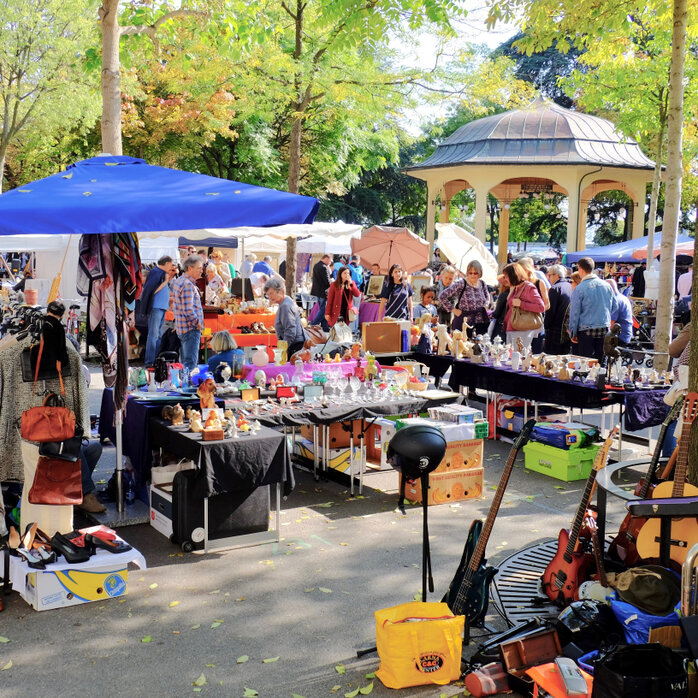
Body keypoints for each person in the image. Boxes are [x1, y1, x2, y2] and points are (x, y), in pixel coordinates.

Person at [568, 257, 618, 362]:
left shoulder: (580, 288)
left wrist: (573, 332)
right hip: (604, 327)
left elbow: (575, 313)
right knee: (601, 362)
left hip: (585, 329)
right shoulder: (606, 285)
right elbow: (615, 306)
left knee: (586, 362)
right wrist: (603, 314)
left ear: (580, 268)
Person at [438, 260, 490, 336]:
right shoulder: (462, 283)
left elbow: (487, 295)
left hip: (480, 321)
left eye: (475, 273)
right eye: (470, 273)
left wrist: (486, 305)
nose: (473, 275)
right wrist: (453, 310)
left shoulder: (482, 283)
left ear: (480, 273)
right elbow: (442, 296)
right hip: (464, 322)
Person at [140, 255, 175, 367]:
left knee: (158, 335)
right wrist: (166, 281)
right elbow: (152, 290)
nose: (171, 267)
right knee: (154, 335)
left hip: (161, 307)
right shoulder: (156, 272)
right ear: (166, 263)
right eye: (170, 264)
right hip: (156, 307)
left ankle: (156, 360)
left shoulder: (160, 273)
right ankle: (150, 361)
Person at [171, 255, 204, 371]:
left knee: (185, 361)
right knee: (190, 363)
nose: (201, 271)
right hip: (190, 328)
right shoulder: (187, 284)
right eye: (199, 268)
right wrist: (197, 323)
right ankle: (188, 382)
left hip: (183, 327)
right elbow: (188, 309)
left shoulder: (179, 281)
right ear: (190, 268)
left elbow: (178, 306)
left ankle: (184, 380)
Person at [503, 262, 545, 350]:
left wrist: (521, 304)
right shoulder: (515, 287)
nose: (505, 279)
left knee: (519, 355)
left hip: (522, 330)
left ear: (513, 275)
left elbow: (541, 307)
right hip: (513, 329)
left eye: (506, 276)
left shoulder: (529, 287)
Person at [265, 277, 307, 355]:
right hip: (295, 345)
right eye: (268, 295)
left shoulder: (285, 306)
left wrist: (283, 350)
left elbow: (290, 330)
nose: (270, 297)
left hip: (294, 347)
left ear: (280, 291)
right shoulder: (286, 301)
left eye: (271, 293)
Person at [544, 264, 572, 355]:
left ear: (556, 275)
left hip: (555, 331)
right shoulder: (570, 286)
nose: (548, 278)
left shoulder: (555, 288)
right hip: (567, 329)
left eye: (549, 275)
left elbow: (550, 311)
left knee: (552, 357)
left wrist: (545, 326)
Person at [606, 278, 633, 347]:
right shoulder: (623, 297)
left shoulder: (615, 301)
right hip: (626, 334)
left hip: (620, 336)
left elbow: (610, 325)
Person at [310, 254, 332, 330]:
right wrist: (332, 282)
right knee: (324, 310)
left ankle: (325, 326)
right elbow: (327, 281)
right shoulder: (324, 267)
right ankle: (313, 324)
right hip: (323, 291)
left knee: (323, 309)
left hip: (317, 291)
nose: (330, 263)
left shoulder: (316, 265)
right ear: (326, 259)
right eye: (329, 261)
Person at [489, 274, 510, 342]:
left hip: (501, 325)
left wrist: (491, 314)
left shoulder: (504, 294)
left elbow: (497, 313)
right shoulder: (513, 294)